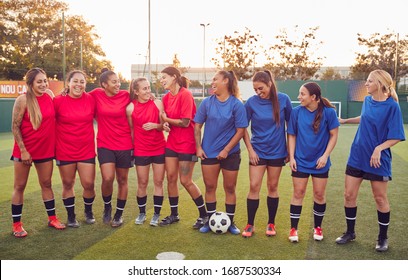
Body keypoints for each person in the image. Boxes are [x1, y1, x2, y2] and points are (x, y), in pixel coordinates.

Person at [335, 70, 405, 252]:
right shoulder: (367, 101)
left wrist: (379, 148)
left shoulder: (392, 106)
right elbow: (365, 118)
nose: (366, 84)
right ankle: (350, 233)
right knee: (349, 195)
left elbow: (396, 135)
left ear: (380, 84)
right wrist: (345, 120)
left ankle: (382, 238)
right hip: (357, 155)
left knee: (380, 198)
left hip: (378, 159)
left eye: (369, 81)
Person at [10, 68, 65, 237]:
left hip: (45, 150)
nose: (43, 84)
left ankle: (52, 219)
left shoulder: (49, 95)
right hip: (24, 151)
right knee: (20, 186)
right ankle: (17, 225)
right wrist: (24, 150)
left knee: (46, 184)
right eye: (39, 81)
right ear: (31, 84)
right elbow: (15, 126)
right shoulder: (23, 100)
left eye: (45, 80)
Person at [194, 70, 248, 235]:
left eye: (215, 79)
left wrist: (226, 150)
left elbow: (240, 131)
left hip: (230, 154)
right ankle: (210, 222)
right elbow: (197, 126)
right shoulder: (206, 103)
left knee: (230, 188)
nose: (213, 82)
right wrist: (198, 147)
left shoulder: (236, 104)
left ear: (226, 81)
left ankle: (230, 222)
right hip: (209, 153)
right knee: (210, 187)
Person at [241, 70, 292, 238]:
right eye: (255, 89)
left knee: (272, 187)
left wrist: (289, 152)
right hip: (258, 152)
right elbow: (242, 128)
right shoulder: (251, 102)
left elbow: (291, 128)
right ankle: (250, 224)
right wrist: (250, 150)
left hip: (277, 152)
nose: (258, 92)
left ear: (270, 84)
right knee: (254, 186)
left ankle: (271, 223)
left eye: (260, 88)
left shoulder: (284, 99)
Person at [287, 82, 339, 242]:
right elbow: (292, 136)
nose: (299, 97)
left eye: (302, 94)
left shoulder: (329, 113)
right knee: (298, 193)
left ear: (313, 97)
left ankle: (318, 227)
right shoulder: (296, 113)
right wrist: (292, 157)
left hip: (320, 163)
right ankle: (293, 230)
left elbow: (333, 135)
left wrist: (325, 156)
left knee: (319, 194)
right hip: (300, 161)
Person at [159, 66, 207, 228]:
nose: (161, 80)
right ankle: (174, 214)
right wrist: (165, 123)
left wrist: (166, 118)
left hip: (187, 143)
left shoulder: (186, 94)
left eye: (164, 77)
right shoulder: (166, 98)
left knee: (185, 180)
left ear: (174, 77)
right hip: (172, 143)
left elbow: (185, 122)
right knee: (171, 178)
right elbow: (168, 121)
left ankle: (204, 215)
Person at [89, 69, 133, 228]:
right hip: (105, 144)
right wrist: (66, 90)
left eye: (118, 81)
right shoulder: (95, 94)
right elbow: (78, 94)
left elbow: (142, 98)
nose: (118, 84)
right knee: (107, 178)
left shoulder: (126, 96)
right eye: (114, 82)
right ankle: (107, 206)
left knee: (122, 180)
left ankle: (118, 215)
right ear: (104, 85)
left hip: (125, 144)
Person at [54, 70, 96, 227]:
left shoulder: (92, 99)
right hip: (65, 150)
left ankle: (88, 211)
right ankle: (71, 217)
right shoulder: (58, 101)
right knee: (67, 183)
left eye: (82, 82)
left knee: (89, 184)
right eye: (75, 81)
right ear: (68, 83)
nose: (79, 85)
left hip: (86, 149)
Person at [126, 77, 168, 226]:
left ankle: (156, 214)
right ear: (136, 92)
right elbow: (131, 130)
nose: (148, 91)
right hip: (141, 150)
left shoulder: (157, 103)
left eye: (148, 87)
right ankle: (142, 213)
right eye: (144, 89)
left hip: (158, 148)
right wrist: (133, 149)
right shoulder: (130, 108)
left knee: (158, 182)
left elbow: (163, 125)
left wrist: (155, 126)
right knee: (142, 182)